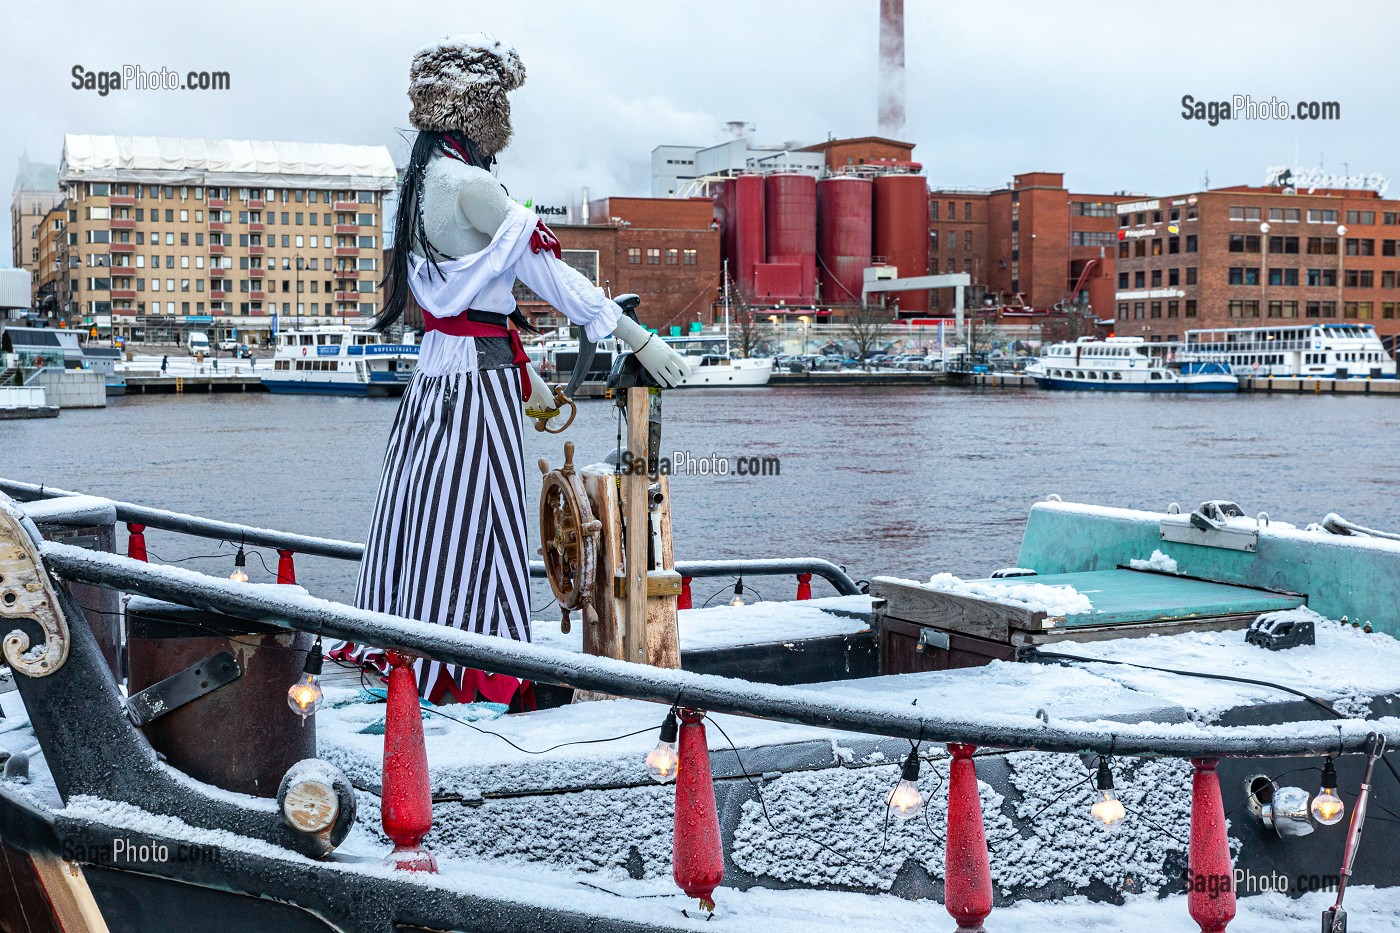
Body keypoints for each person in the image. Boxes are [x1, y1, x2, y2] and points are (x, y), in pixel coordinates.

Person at [335, 35, 689, 707]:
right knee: (483, 518)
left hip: (435, 378)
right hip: (476, 390)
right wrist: (637, 335)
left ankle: (406, 636)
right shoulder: (472, 187)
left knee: (424, 511)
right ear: (480, 114)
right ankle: (476, 663)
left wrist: (529, 381)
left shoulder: (415, 187)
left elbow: (459, 306)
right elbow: (545, 276)